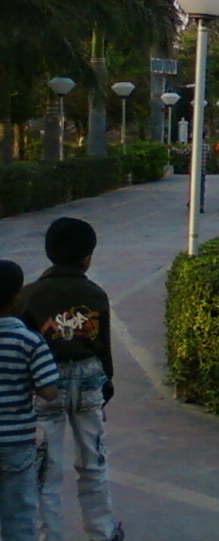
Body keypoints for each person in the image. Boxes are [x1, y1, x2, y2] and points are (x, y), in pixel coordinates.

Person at [17, 218, 123, 541]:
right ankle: (102, 532)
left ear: (49, 252)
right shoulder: (95, 294)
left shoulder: (28, 295)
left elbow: (25, 347)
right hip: (90, 380)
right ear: (87, 256)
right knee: (94, 463)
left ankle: (49, 536)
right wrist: (107, 385)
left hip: (46, 383)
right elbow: (103, 347)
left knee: (45, 471)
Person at [0, 260, 59, 541]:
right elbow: (49, 391)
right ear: (16, 296)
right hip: (16, 444)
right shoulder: (30, 341)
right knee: (19, 512)